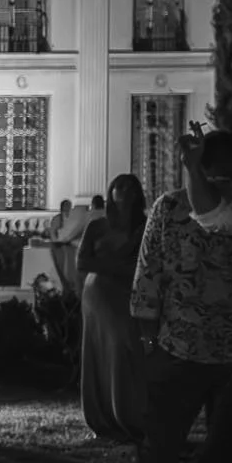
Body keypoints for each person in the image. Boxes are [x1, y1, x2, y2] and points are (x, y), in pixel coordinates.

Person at [129, 129, 232, 463]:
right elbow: (148, 277)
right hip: (199, 351)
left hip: (221, 354)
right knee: (175, 447)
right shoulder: (176, 208)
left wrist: (150, 342)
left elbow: (146, 280)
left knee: (174, 447)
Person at [76, 173, 147, 443]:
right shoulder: (97, 226)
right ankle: (103, 417)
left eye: (130, 186)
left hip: (129, 294)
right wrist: (120, 268)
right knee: (103, 349)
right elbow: (83, 262)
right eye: (119, 186)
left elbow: (146, 263)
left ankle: (131, 414)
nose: (124, 191)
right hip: (99, 295)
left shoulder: (144, 225)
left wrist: (111, 266)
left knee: (128, 348)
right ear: (111, 192)